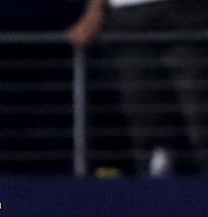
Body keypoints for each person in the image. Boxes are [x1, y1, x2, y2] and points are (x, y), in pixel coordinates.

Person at [67, 0, 208, 174]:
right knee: (146, 124)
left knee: (200, 116)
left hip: (187, 13)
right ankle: (153, 190)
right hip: (129, 16)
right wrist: (93, 11)